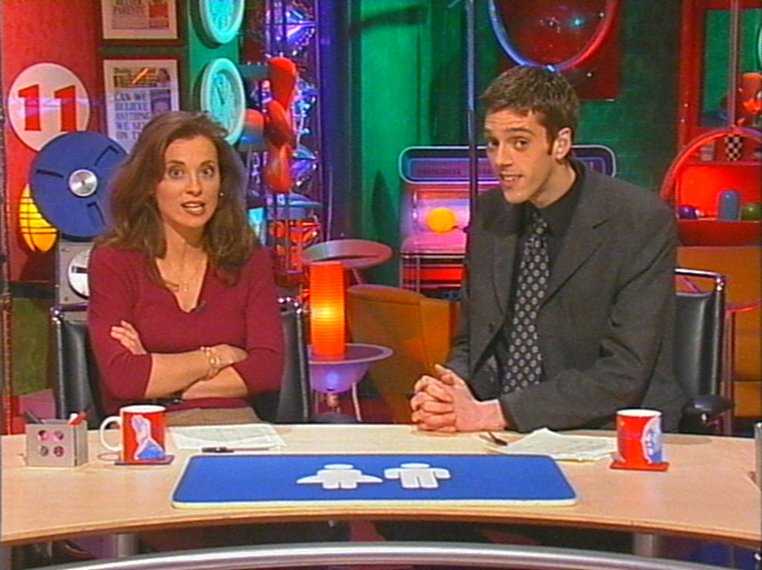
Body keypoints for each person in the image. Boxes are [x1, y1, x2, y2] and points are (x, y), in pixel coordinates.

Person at [411, 65, 687, 435]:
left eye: (519, 143)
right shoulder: (490, 214)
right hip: (498, 428)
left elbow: (624, 372)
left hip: (604, 429)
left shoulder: (639, 221)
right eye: (493, 142)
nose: (501, 160)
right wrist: (449, 390)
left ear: (560, 143)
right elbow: (472, 341)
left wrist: (496, 413)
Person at [88, 111, 284, 426]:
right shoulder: (114, 261)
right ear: (150, 185)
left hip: (236, 425)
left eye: (207, 171)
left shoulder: (248, 258)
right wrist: (219, 356)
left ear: (221, 183)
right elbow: (123, 378)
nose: (195, 187)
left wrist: (161, 383)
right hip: (147, 430)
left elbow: (267, 369)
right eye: (176, 173)